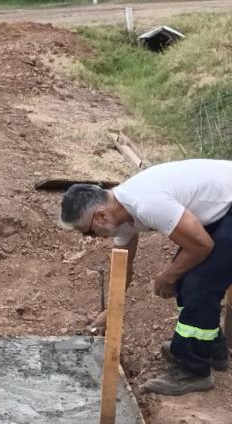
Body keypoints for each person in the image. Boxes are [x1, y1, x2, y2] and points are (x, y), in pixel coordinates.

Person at [60, 160, 232, 395]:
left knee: (198, 284)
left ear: (100, 216)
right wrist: (110, 311)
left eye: (87, 232)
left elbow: (201, 246)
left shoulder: (147, 204)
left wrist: (166, 277)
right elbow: (124, 267)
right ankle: (210, 350)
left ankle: (194, 371)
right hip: (223, 206)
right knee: (186, 277)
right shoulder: (119, 216)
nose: (89, 239)